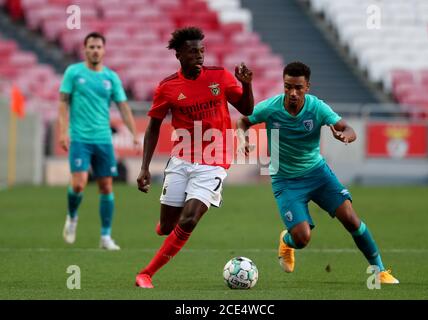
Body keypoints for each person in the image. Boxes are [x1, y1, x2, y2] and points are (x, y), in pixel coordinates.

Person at [236, 61, 399, 284]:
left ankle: (379, 271)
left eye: (298, 88)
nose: (292, 93)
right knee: (302, 238)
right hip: (286, 180)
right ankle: (287, 240)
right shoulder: (270, 107)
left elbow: (347, 128)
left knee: (351, 219)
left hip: (318, 174)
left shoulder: (317, 108)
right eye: (287, 87)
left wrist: (345, 137)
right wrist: (243, 138)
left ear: (308, 87)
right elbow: (243, 121)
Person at [135, 27, 254, 288]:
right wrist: (144, 168)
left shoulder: (219, 77)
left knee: (189, 219)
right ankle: (165, 226)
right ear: (178, 55)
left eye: (201, 51)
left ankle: (146, 274)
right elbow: (153, 126)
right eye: (192, 52)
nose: (199, 56)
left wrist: (246, 84)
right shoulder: (167, 87)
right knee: (167, 227)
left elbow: (246, 109)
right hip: (182, 157)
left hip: (215, 159)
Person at [58, 32, 139, 250]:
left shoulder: (111, 77)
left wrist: (133, 134)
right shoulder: (73, 73)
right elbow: (63, 103)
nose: (95, 50)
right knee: (79, 183)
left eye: (98, 47)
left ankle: (105, 237)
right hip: (80, 138)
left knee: (105, 186)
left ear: (104, 50)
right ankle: (72, 217)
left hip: (103, 140)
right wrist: (63, 132)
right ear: (84, 49)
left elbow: (123, 106)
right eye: (91, 46)